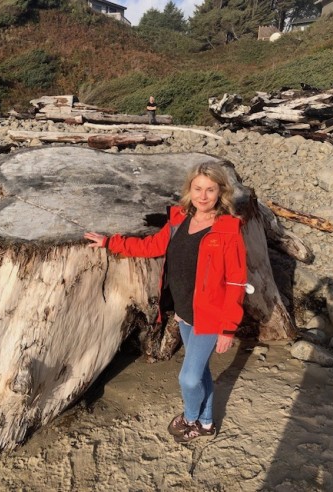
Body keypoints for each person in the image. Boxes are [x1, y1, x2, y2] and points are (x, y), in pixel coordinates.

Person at [83, 162, 248, 443]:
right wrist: (111, 242)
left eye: (210, 190)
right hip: (184, 309)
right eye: (198, 189)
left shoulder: (228, 230)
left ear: (221, 192)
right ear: (189, 190)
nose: (203, 195)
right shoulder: (180, 219)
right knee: (200, 372)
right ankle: (207, 422)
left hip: (210, 316)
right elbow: (152, 246)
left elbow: (236, 282)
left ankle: (190, 418)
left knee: (188, 378)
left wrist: (228, 328)